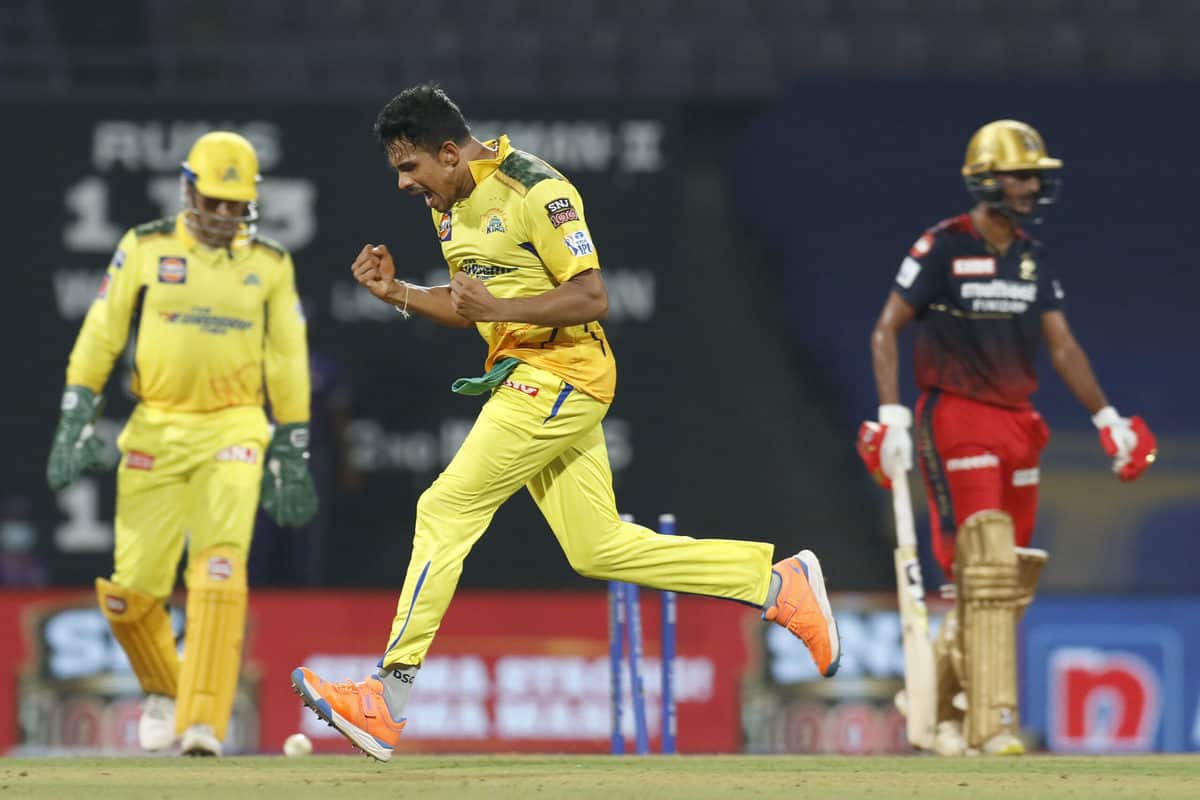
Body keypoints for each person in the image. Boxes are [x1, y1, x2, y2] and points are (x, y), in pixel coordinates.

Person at [290, 83, 841, 762]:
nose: (404, 183)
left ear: (449, 152)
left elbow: (591, 295)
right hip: (533, 376)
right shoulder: (450, 204)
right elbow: (471, 306)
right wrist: (398, 292)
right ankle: (777, 585)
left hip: (560, 373)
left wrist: (500, 309)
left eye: (411, 167)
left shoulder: (536, 189)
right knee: (597, 548)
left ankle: (387, 696)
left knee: (444, 507)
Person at [858, 120, 1157, 756]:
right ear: (986, 179)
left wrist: (1107, 418)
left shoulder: (1031, 256)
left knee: (1009, 578)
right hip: (957, 418)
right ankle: (992, 724)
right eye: (1020, 176)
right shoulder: (942, 246)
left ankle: (933, 702)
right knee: (982, 569)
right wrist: (892, 416)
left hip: (1019, 424)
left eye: (1034, 177)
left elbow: (1063, 345)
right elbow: (886, 328)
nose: (1030, 187)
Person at [46, 131, 318, 756]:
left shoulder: (270, 263)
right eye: (213, 200)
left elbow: (287, 358)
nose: (222, 214)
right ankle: (164, 690)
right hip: (156, 428)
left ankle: (203, 723)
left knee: (219, 570)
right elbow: (102, 331)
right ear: (188, 190)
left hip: (234, 426)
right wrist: (75, 414)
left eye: (234, 204)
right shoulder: (146, 247)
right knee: (130, 593)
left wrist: (293, 446)